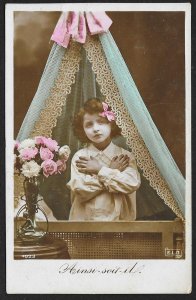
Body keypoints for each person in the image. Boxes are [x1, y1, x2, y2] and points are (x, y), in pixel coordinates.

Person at [67, 98, 141, 221]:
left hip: (119, 224)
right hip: (85, 224)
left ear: (111, 124)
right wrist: (111, 170)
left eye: (101, 122)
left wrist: (100, 170)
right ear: (83, 129)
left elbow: (131, 183)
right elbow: (80, 191)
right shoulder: (81, 157)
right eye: (89, 124)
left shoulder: (124, 156)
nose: (95, 128)